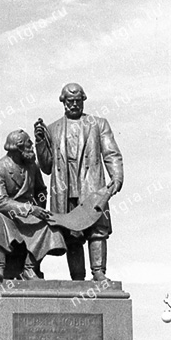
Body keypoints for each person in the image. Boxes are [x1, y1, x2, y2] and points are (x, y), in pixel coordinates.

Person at [34, 83, 123, 281]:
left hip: (91, 187)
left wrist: (116, 177)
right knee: (72, 235)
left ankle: (99, 273)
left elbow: (111, 153)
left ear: (83, 100)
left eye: (77, 101)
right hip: (64, 189)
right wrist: (41, 142)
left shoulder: (98, 123)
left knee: (97, 230)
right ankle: (78, 281)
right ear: (63, 102)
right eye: (69, 102)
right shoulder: (53, 128)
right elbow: (47, 167)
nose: (73, 105)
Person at [0, 129, 66, 280]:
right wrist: (30, 209)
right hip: (9, 216)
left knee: (50, 224)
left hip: (30, 215)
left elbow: (41, 190)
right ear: (18, 147)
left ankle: (30, 267)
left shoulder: (32, 166)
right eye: (28, 144)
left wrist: (39, 208)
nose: (31, 147)